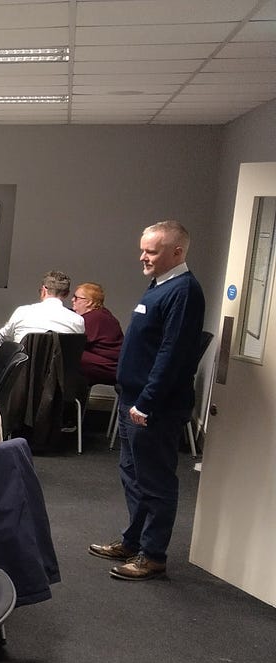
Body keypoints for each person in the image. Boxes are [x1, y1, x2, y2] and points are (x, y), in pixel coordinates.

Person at [90, 220, 206, 581]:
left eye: (152, 251)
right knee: (133, 476)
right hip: (133, 399)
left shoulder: (184, 291)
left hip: (152, 407)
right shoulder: (158, 285)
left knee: (155, 482)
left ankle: (152, 555)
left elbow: (173, 354)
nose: (143, 256)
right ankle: (134, 541)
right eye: (143, 249)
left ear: (177, 252)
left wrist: (148, 402)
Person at [0, 270, 85, 344]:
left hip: (22, 365)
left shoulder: (22, 312)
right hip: (61, 366)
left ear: (43, 290)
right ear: (67, 294)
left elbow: (1, 338)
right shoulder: (78, 320)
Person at [72, 281, 124, 385]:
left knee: (67, 355)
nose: (72, 300)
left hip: (111, 367)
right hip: (113, 364)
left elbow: (76, 341)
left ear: (89, 302)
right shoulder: (101, 314)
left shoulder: (95, 318)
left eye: (76, 297)